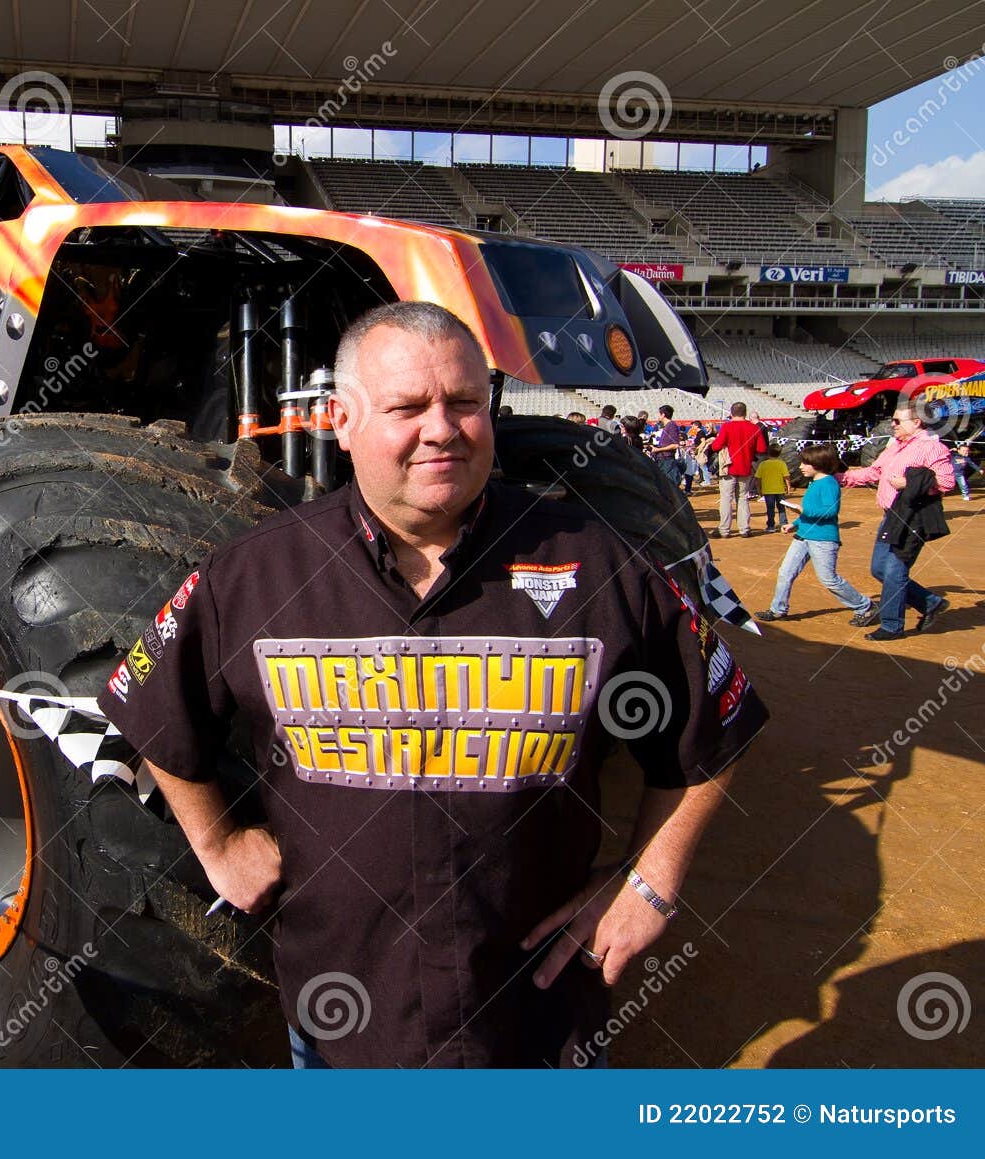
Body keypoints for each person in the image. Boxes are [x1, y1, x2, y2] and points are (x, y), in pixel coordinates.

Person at [95, 301, 767, 1069]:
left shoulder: (600, 564)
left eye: (465, 402)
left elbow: (716, 727)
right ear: (342, 420)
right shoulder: (253, 574)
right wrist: (216, 841)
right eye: (408, 407)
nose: (442, 428)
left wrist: (652, 879)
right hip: (339, 1031)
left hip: (538, 1030)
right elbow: (152, 706)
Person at [839, 399, 955, 641]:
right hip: (891, 516)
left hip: (913, 517)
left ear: (917, 422)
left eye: (896, 420)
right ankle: (930, 602)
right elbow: (874, 472)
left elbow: (946, 482)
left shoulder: (932, 448)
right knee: (879, 569)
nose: (892, 425)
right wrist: (840, 477)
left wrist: (910, 483)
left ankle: (892, 626)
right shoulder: (895, 447)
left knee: (894, 571)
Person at [754, 445, 875, 625]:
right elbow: (811, 511)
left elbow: (830, 511)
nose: (801, 466)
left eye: (805, 463)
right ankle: (778, 609)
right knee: (785, 572)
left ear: (818, 464)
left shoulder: (829, 483)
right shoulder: (814, 482)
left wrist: (804, 511)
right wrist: (795, 524)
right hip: (803, 536)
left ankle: (864, 606)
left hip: (822, 539)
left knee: (828, 579)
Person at [709, 402, 768, 537]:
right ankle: (744, 529)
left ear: (731, 413)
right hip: (745, 468)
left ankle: (724, 530)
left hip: (728, 468)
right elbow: (761, 449)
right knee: (743, 498)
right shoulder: (754, 428)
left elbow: (716, 446)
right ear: (745, 413)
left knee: (726, 499)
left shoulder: (727, 426)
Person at [754, 445, 790, 532]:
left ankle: (771, 526)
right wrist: (788, 486)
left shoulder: (763, 464)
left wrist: (758, 489)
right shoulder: (782, 463)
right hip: (780, 490)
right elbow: (786, 477)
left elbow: (758, 479)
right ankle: (783, 524)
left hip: (768, 491)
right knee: (781, 508)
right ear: (779, 453)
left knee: (770, 509)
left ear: (768, 453)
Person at [648, 404, 683, 489]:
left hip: (667, 460)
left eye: (659, 414)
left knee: (670, 486)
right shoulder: (668, 426)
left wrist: (658, 449)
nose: (658, 416)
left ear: (663, 415)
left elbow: (675, 445)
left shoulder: (671, 425)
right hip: (662, 459)